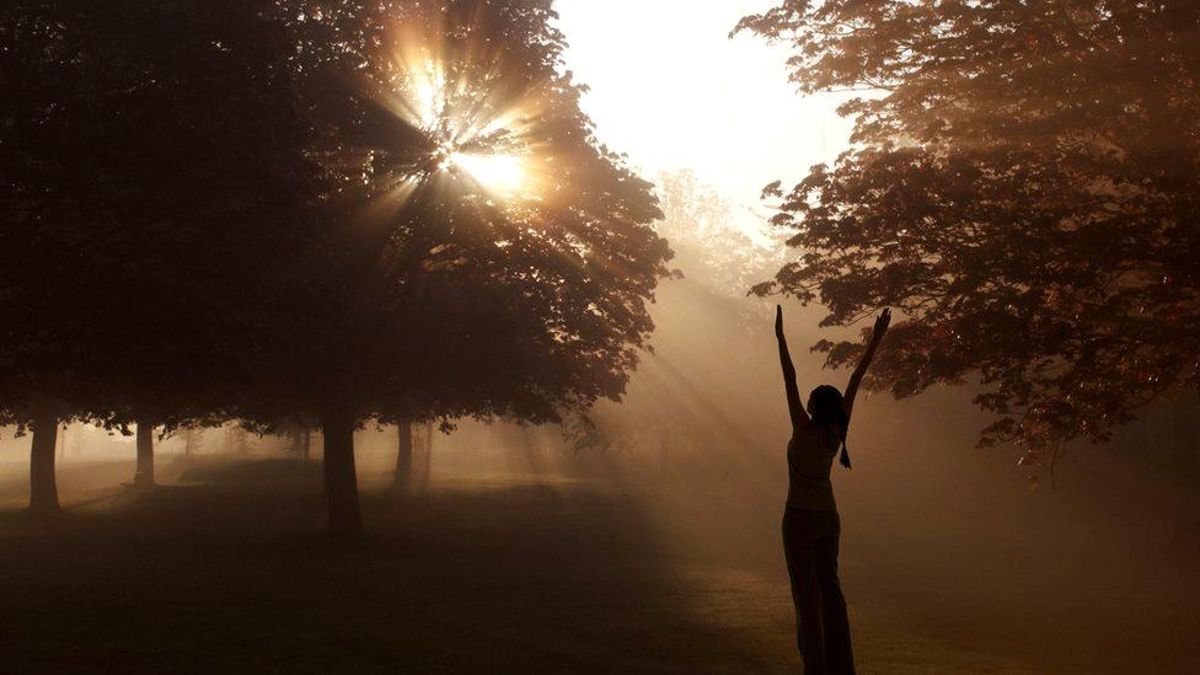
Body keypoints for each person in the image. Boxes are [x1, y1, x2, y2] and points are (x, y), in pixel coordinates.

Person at [775, 304, 890, 674]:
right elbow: (857, 377)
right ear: (835, 408)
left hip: (799, 517)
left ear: (811, 407)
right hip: (828, 517)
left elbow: (789, 378)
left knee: (806, 596)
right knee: (831, 590)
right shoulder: (837, 430)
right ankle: (842, 666)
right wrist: (877, 337)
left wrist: (780, 336)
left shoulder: (803, 429)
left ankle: (816, 667)